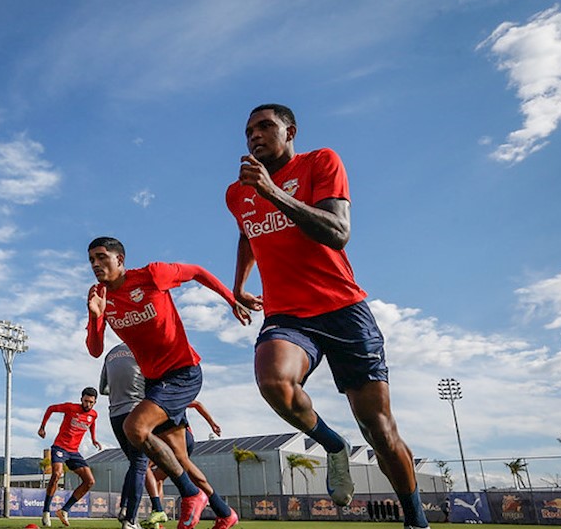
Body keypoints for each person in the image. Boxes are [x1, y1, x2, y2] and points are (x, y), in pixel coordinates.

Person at [226, 103, 429, 529]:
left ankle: (416, 521)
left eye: (264, 127)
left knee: (379, 430)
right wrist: (239, 285)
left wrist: (275, 193)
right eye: (248, 132)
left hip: (343, 310)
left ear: (290, 131)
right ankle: (333, 445)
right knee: (273, 381)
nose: (254, 137)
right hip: (288, 315)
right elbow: (247, 232)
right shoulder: (237, 192)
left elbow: (338, 232)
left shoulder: (321, 161)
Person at [85, 237, 250, 529]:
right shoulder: (100, 297)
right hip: (155, 382)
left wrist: (231, 299)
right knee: (180, 460)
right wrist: (94, 314)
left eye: (101, 257)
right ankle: (225, 513)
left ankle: (190, 494)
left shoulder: (151, 275)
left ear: (120, 260)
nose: (95, 264)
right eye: (91, 260)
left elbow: (198, 271)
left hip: (183, 372)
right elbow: (96, 349)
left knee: (134, 428)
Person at [144, 400, 222, 528]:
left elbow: (197, 404)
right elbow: (198, 404)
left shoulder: (166, 391)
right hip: (179, 437)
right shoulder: (159, 393)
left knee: (145, 466)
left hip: (177, 436)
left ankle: (161, 511)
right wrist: (212, 424)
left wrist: (212, 423)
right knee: (158, 477)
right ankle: (223, 511)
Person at [37, 388, 103, 527]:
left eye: (91, 402)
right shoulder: (70, 407)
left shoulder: (94, 414)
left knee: (90, 481)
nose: (88, 405)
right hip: (60, 447)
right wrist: (42, 427)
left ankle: (64, 510)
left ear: (95, 402)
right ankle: (46, 511)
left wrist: (94, 439)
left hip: (74, 452)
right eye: (86, 401)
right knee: (56, 474)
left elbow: (91, 424)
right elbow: (51, 408)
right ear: (81, 399)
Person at [99, 343, 148, 529]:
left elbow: (103, 388)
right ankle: (131, 520)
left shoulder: (111, 353)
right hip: (136, 410)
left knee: (134, 464)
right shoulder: (142, 348)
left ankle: (125, 508)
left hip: (115, 415)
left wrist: (120, 390)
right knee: (140, 464)